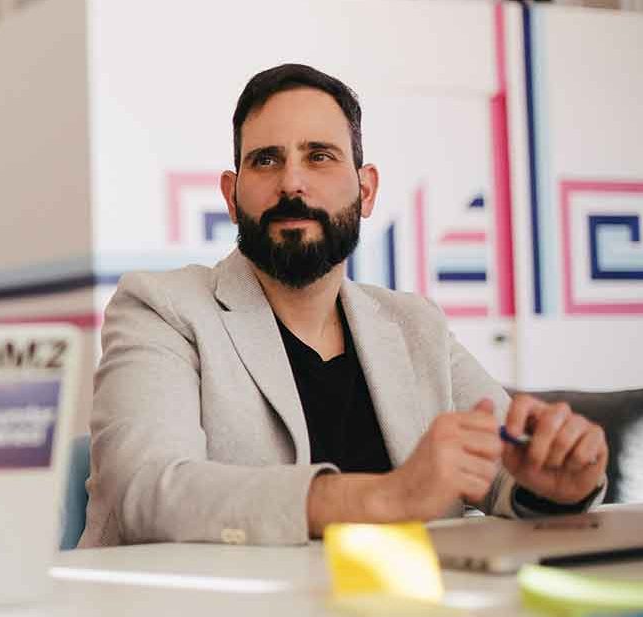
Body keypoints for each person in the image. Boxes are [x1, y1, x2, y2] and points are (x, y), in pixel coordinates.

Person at [79, 64, 607, 548]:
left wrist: (555, 481)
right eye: (266, 160)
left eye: (320, 156)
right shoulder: (161, 307)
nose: (292, 182)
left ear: (367, 189)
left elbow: (503, 469)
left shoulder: (414, 324)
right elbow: (147, 494)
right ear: (232, 194)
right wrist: (386, 498)